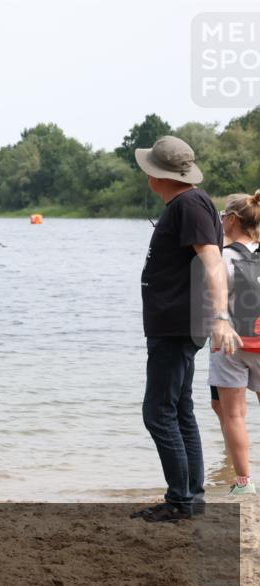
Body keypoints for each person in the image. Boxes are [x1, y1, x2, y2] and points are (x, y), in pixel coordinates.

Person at [131, 135, 241, 523]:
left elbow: (212, 261)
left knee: (158, 412)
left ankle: (182, 500)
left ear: (154, 175)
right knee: (178, 409)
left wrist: (222, 317)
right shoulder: (189, 203)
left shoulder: (190, 204)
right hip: (177, 323)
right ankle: (190, 498)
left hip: (177, 325)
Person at [209, 191, 260, 495]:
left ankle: (244, 483)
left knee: (234, 415)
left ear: (230, 220)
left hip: (232, 343)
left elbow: (208, 302)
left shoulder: (220, 256)